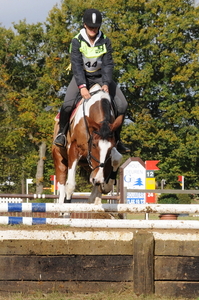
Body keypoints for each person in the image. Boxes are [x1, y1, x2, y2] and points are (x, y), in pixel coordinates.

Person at [54, 8, 130, 153]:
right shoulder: (76, 41)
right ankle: (62, 134)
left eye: (95, 27)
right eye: (90, 26)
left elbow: (108, 64)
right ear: (84, 25)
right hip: (82, 76)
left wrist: (106, 83)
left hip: (101, 77)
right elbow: (76, 65)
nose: (93, 29)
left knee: (122, 105)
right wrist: (82, 86)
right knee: (68, 104)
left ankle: (117, 139)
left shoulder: (105, 40)